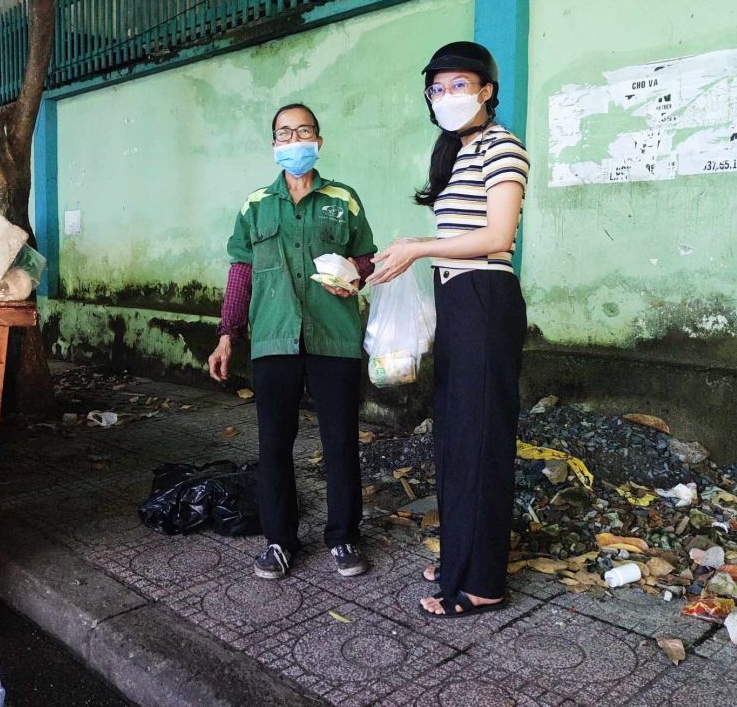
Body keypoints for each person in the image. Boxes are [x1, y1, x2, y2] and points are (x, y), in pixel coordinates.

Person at [367, 42, 530, 617]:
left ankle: (482, 582)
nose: (447, 96)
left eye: (460, 85)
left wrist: (420, 247)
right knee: (457, 436)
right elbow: (455, 235)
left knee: (481, 438)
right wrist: (406, 252)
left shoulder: (502, 146)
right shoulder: (456, 153)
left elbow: (498, 237)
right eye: (437, 89)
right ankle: (461, 554)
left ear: (486, 90)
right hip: (458, 299)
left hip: (485, 297)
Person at [208, 103, 377, 580]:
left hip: (335, 337)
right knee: (274, 445)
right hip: (273, 338)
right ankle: (279, 540)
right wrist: (227, 334)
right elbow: (241, 271)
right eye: (285, 133)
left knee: (340, 442)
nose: (294, 139)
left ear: (318, 141)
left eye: (304, 131)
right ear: (274, 144)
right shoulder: (256, 205)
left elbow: (366, 258)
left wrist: (355, 275)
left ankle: (343, 537)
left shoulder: (343, 199)